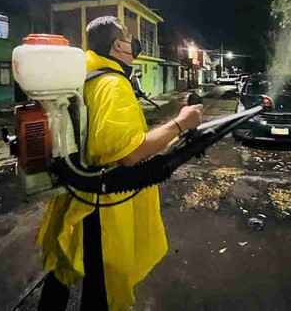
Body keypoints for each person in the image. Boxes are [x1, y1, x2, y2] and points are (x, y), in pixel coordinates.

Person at [37, 16, 204, 311]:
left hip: (78, 196)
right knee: (101, 288)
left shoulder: (85, 79)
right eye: (129, 37)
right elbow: (129, 151)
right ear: (117, 45)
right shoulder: (112, 84)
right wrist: (181, 123)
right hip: (102, 206)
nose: (133, 43)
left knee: (65, 278)